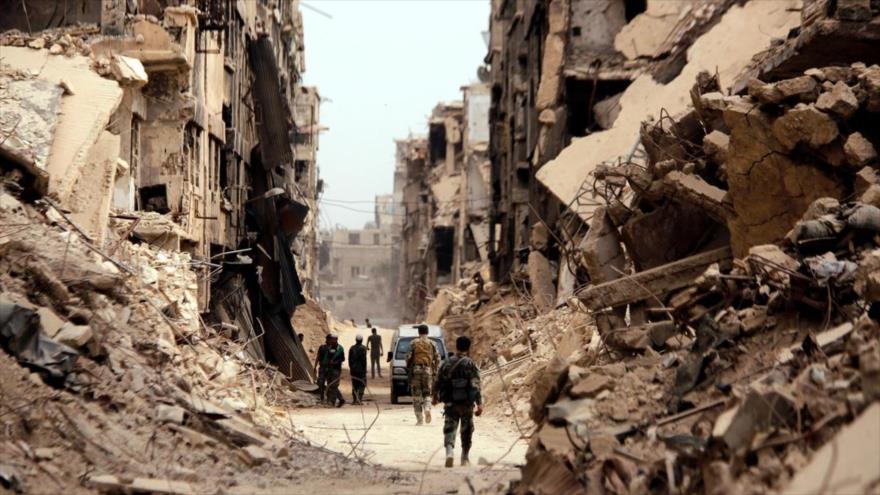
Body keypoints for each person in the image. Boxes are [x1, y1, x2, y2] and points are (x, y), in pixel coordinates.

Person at [433, 336, 482, 468]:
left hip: (450, 403)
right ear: (468, 348)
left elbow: (438, 381)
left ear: (456, 347)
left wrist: (434, 397)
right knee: (467, 431)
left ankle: (449, 452)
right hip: (466, 404)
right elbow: (476, 384)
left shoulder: (447, 363)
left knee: (449, 428)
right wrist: (479, 403)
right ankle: (464, 458)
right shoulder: (471, 364)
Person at [405, 324, 440, 425]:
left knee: (417, 395)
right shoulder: (432, 343)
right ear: (427, 332)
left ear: (418, 333)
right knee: (427, 393)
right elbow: (437, 358)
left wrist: (409, 366)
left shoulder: (414, 343)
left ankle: (419, 420)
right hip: (428, 370)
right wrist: (435, 370)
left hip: (416, 371)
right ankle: (427, 408)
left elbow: (408, 356)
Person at [323, 333, 346, 407]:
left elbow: (343, 359)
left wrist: (335, 362)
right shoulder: (329, 348)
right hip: (329, 369)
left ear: (336, 340)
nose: (331, 340)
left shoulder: (340, 349)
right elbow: (327, 358)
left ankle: (332, 402)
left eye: (333, 339)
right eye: (331, 339)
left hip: (336, 369)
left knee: (334, 385)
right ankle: (341, 399)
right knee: (330, 385)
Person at [349, 335, 368, 404]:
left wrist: (351, 368)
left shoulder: (352, 348)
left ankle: (354, 400)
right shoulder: (363, 349)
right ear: (362, 340)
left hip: (354, 370)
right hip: (361, 370)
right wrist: (365, 369)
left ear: (356, 340)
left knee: (354, 385)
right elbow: (364, 360)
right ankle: (359, 399)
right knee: (362, 384)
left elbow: (349, 360)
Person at [314, 335, 331, 402]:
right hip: (322, 368)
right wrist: (315, 366)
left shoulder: (333, 348)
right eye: (327, 339)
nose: (328, 341)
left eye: (329, 339)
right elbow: (318, 357)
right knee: (321, 383)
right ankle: (322, 397)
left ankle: (329, 398)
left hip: (330, 369)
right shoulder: (322, 347)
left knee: (330, 383)